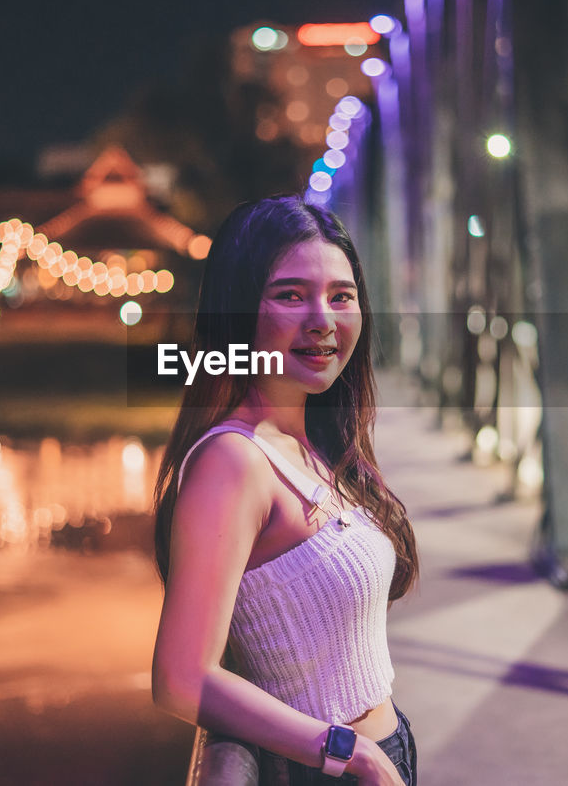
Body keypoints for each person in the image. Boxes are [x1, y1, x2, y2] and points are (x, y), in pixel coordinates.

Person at [151, 195, 419, 785]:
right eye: (291, 295)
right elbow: (181, 678)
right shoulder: (232, 461)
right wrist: (354, 753)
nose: (322, 319)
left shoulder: (316, 440)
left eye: (341, 296)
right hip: (330, 772)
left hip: (384, 752)